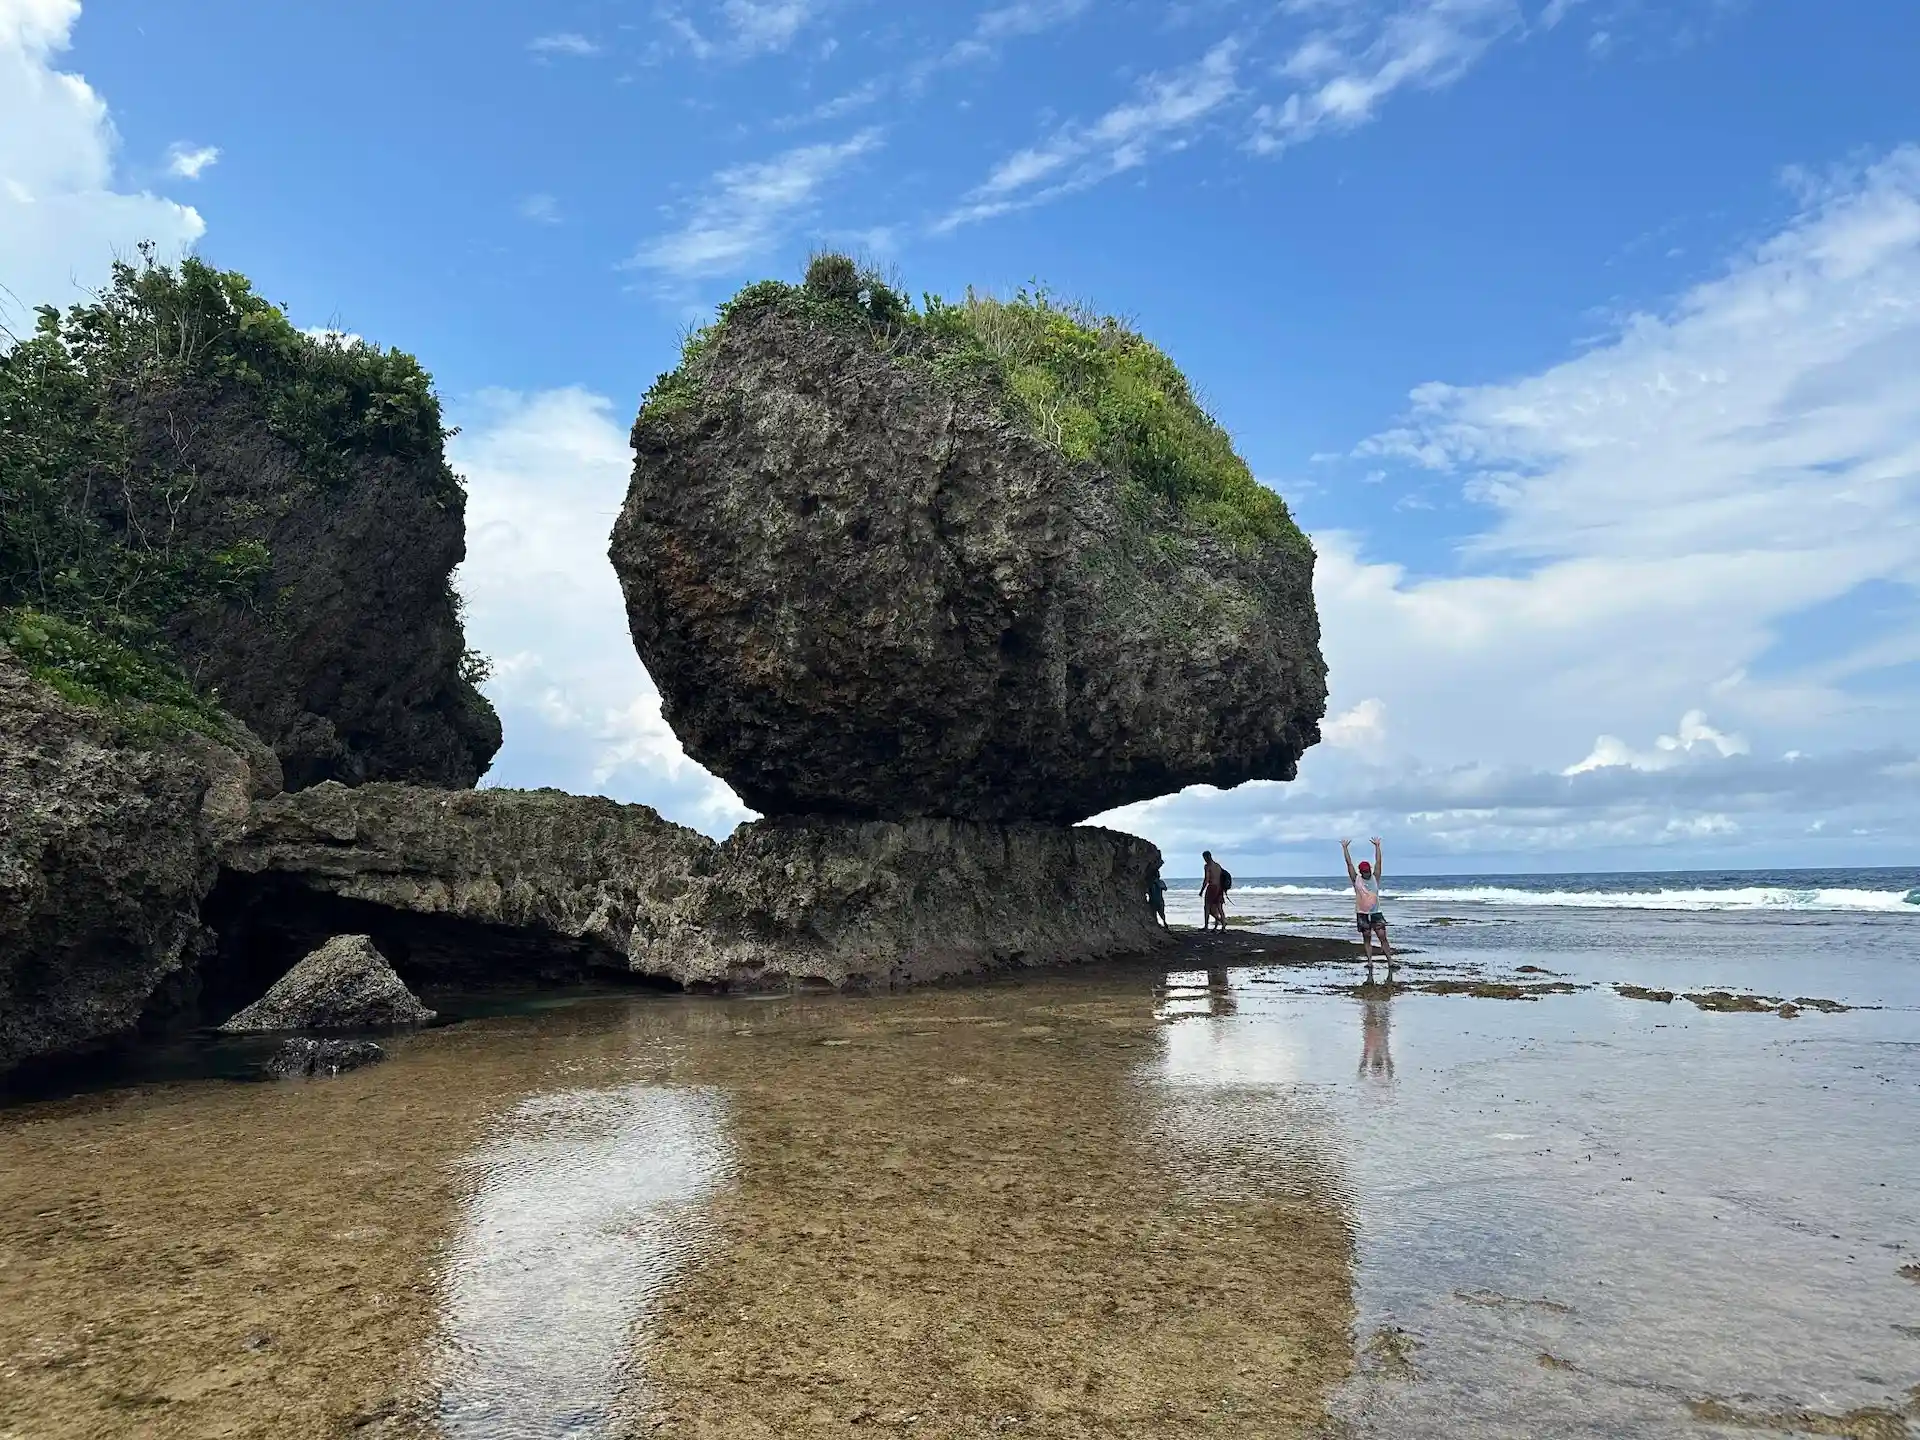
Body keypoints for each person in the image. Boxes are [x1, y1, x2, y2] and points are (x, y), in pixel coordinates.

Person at [1342, 836, 1394, 976]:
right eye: (1364, 871)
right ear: (1361, 871)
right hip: (1362, 913)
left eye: (1368, 871)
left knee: (1382, 936)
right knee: (1367, 938)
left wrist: (1377, 846)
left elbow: (1379, 862)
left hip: (1376, 912)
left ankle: (1390, 961)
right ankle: (1370, 962)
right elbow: (1349, 864)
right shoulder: (1356, 879)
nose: (1367, 873)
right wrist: (1345, 849)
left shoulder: (1375, 877)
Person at [1199, 850, 1227, 933]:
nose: (1204, 860)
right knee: (1219, 909)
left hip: (1212, 888)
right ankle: (1223, 928)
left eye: (1204, 858)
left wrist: (1201, 890)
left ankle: (1206, 927)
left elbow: (1206, 879)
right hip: (1220, 888)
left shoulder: (1207, 866)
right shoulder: (1218, 866)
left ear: (1207, 857)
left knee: (1207, 907)